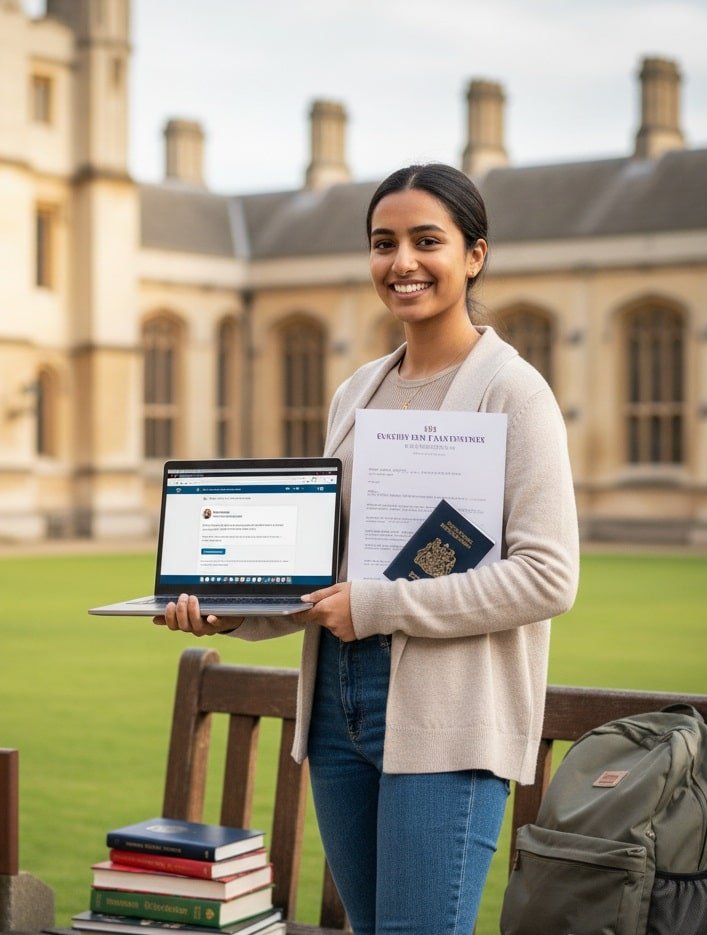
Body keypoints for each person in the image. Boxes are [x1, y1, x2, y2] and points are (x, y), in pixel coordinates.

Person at [155, 163, 580, 934]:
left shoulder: (513, 393)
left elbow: (548, 577)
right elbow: (329, 570)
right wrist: (233, 614)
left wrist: (380, 604)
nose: (402, 263)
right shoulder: (355, 393)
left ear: (474, 255)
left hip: (446, 711)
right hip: (335, 706)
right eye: (384, 244)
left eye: (427, 241)